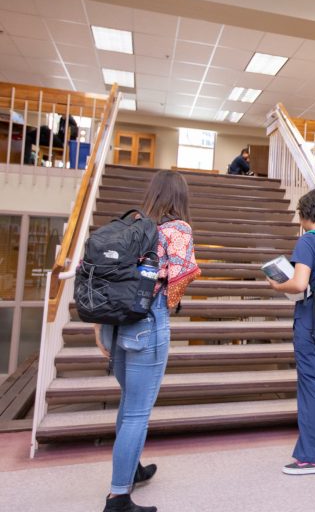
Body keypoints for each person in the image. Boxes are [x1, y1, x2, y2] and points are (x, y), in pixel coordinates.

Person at [94, 170, 200, 512]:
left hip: (115, 323)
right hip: (147, 322)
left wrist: (100, 327)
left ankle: (131, 468)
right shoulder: (177, 229)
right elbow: (180, 278)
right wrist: (169, 299)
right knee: (139, 411)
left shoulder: (133, 225)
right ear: (180, 197)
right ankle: (118, 498)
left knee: (129, 403)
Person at [264, 189, 315, 475]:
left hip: (312, 321)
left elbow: (299, 284)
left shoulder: (309, 240)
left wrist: (277, 286)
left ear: (304, 215)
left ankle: (311, 457)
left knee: (310, 384)